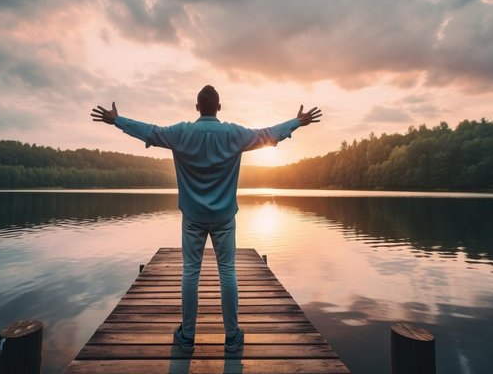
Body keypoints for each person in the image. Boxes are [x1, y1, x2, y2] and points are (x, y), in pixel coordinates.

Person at [91, 85, 321, 353]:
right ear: (219, 108)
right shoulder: (234, 133)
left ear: (197, 107)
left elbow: (150, 131)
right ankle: (232, 336)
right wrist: (297, 123)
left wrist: (117, 120)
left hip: (192, 217)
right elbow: (268, 134)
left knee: (191, 272)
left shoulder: (181, 132)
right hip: (224, 217)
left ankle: (187, 336)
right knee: (228, 272)